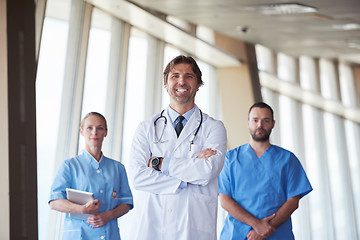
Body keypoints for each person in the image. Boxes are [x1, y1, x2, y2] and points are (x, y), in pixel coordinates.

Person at [128, 55, 227, 240]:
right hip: (152, 227)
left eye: (189, 76)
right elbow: (137, 176)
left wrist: (160, 164)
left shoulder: (214, 127)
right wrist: (187, 178)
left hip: (193, 229)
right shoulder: (146, 128)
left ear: (198, 84)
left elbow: (208, 171)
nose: (182, 81)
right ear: (166, 83)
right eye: (175, 76)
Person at [218, 102, 312, 240]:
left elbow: (293, 200)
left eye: (265, 120)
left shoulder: (287, 159)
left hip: (277, 235)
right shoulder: (230, 159)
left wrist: (268, 228)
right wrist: (257, 225)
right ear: (248, 122)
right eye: (255, 120)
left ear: (273, 123)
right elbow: (225, 199)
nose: (260, 125)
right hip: (236, 234)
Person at [49, 112, 133, 240]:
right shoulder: (69, 166)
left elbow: (126, 203)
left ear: (106, 132)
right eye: (89, 128)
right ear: (82, 131)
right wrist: (81, 209)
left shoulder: (118, 168)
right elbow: (54, 202)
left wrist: (109, 215)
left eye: (100, 128)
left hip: (110, 234)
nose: (94, 132)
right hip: (79, 235)